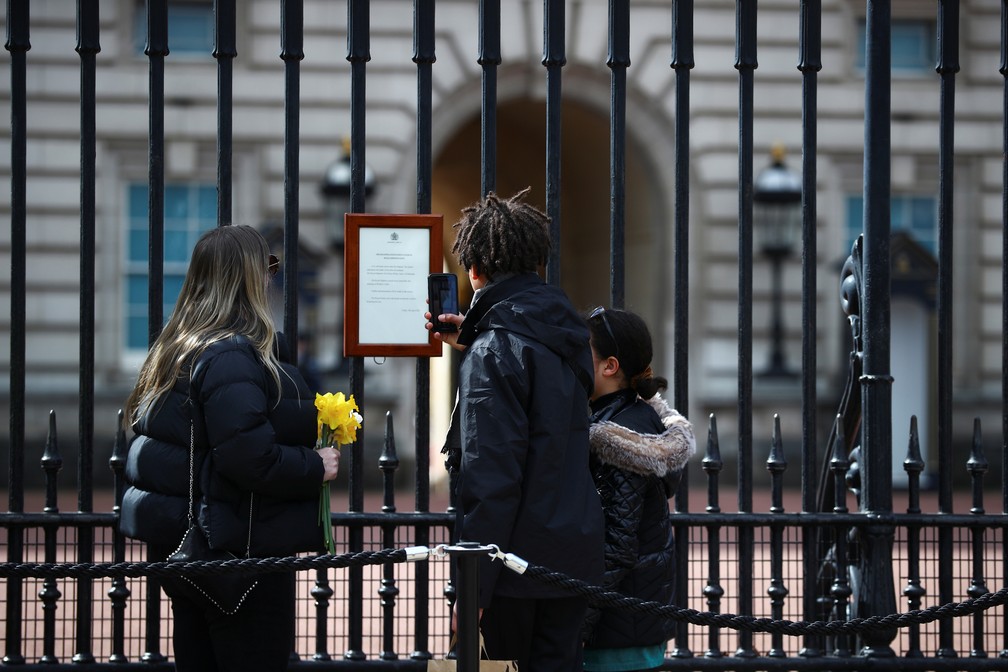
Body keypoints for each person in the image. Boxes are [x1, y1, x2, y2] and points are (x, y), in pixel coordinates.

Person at [119, 224, 340, 672]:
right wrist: (315, 465)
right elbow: (246, 456)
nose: (270, 280)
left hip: (191, 553)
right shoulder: (231, 354)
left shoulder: (175, 349)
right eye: (267, 268)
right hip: (235, 557)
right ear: (246, 277)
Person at [428, 188, 604, 672]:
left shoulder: (494, 351)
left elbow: (493, 475)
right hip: (571, 555)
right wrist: (476, 335)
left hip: (515, 567)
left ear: (476, 269)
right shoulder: (562, 333)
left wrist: (474, 587)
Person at [581, 307, 696, 672]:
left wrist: (576, 622)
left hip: (615, 633)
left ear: (609, 366)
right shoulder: (623, 416)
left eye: (582, 349)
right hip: (625, 621)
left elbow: (618, 547)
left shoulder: (621, 437)